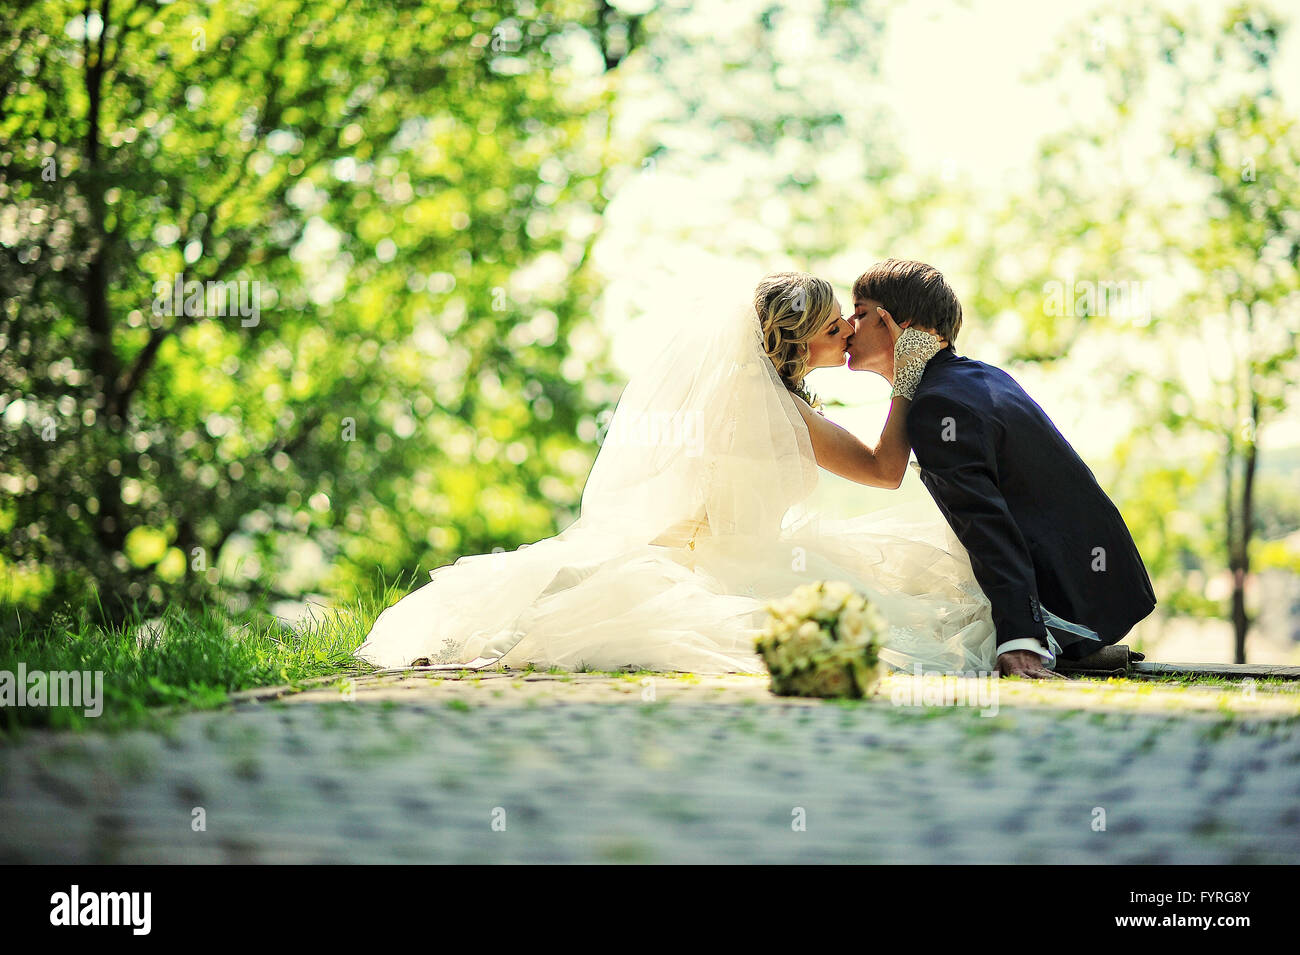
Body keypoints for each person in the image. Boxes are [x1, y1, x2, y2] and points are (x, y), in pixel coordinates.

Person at [353, 272, 996, 674]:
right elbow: (886, 473)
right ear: (799, 344)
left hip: (684, 548)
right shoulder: (783, 413)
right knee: (913, 607)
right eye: (836, 328)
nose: (850, 334)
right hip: (735, 562)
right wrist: (908, 378)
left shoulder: (733, 392)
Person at [848, 258, 1156, 678]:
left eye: (860, 313)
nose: (849, 326)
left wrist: (1021, 639)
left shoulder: (938, 406)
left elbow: (987, 524)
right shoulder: (978, 377)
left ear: (891, 321)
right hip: (1102, 584)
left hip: (1066, 603)